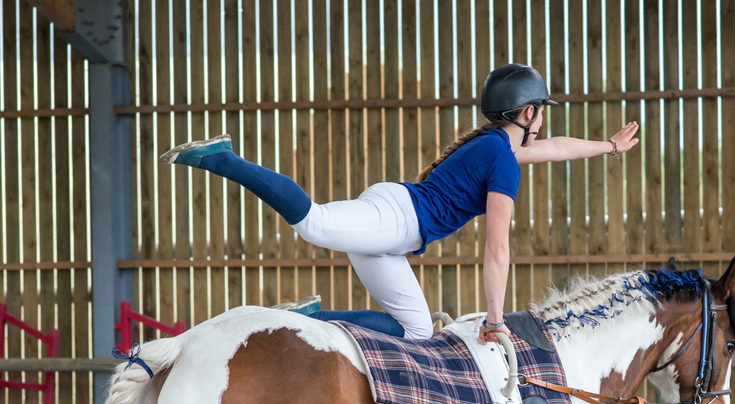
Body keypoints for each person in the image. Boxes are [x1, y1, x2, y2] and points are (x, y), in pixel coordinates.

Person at [161, 63, 639, 342]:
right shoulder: (503, 159)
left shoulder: (499, 146)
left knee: (415, 332)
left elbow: (554, 147)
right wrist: (495, 321)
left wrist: (610, 148)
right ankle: (224, 159)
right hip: (396, 218)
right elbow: (497, 250)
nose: (543, 128)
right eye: (541, 117)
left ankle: (311, 318)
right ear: (530, 112)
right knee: (316, 224)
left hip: (396, 230)